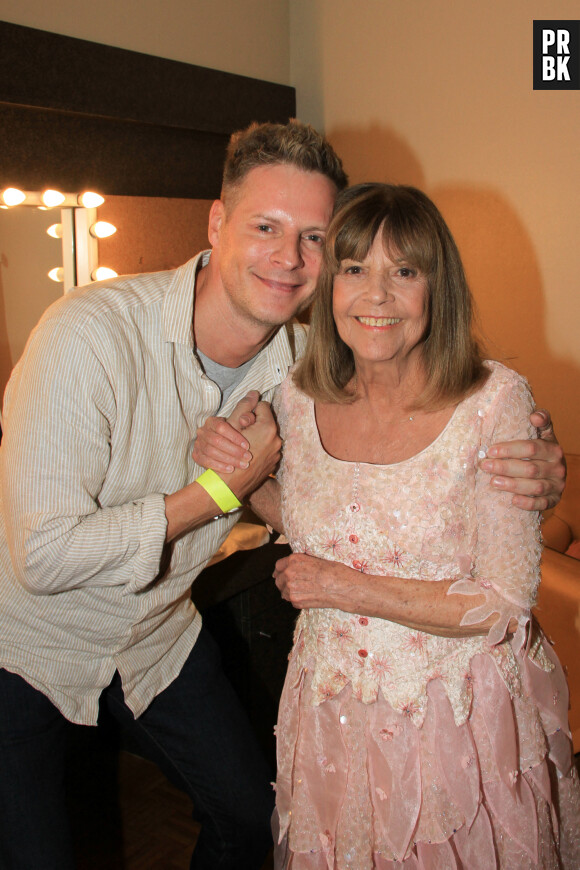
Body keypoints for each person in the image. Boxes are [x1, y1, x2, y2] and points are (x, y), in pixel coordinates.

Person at [0, 121, 566, 870]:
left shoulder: (307, 368)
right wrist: (214, 491)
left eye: (314, 238)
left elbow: (365, 482)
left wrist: (544, 471)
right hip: (28, 645)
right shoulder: (90, 335)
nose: (291, 258)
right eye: (266, 226)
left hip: (157, 637)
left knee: (249, 821)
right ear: (216, 222)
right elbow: (42, 556)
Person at [249, 183, 578, 868]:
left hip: (452, 720)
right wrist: (238, 476)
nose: (378, 295)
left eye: (405, 271)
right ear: (327, 286)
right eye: (354, 270)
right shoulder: (296, 395)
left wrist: (340, 586)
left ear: (438, 288)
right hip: (328, 706)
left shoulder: (493, 403)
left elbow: (504, 602)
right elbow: (309, 515)